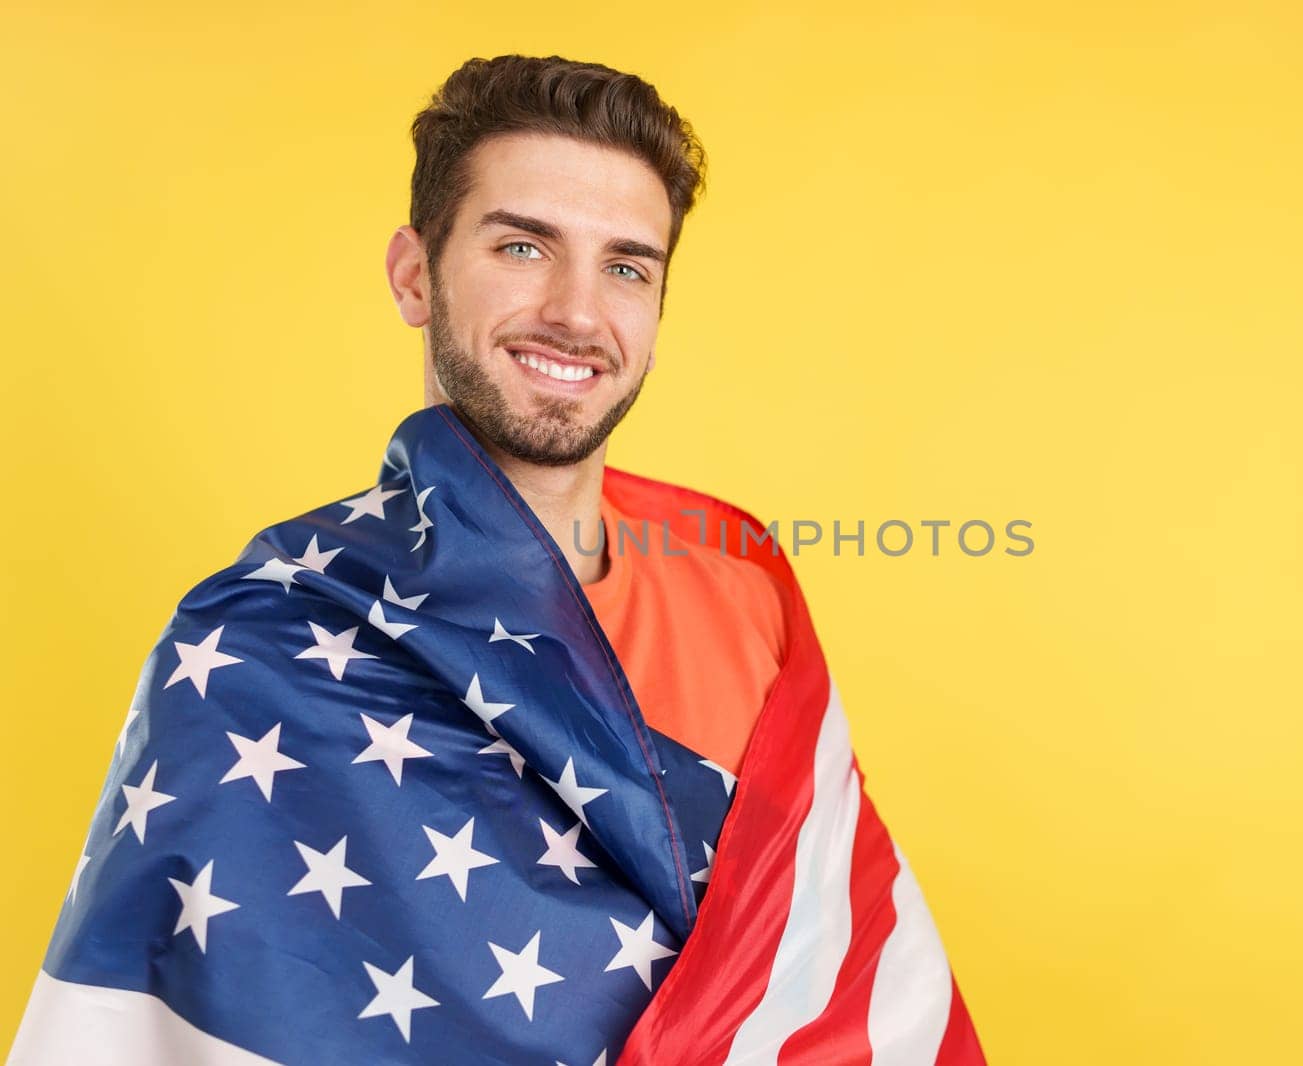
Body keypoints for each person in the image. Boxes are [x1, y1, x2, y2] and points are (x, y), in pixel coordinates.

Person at [10, 54, 984, 1064]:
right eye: (523, 246)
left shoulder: (746, 602)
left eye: (625, 267)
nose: (576, 310)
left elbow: (847, 980)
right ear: (412, 273)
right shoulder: (263, 641)